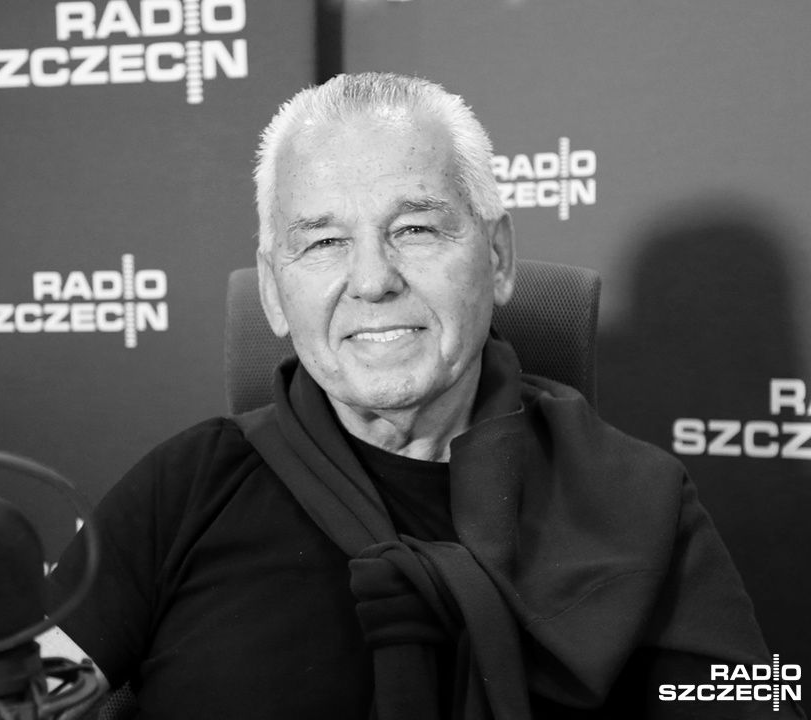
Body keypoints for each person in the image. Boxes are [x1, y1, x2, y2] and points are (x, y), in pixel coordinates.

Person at [46, 73, 797, 719]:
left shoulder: (639, 496)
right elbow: (18, 694)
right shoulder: (182, 489)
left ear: (497, 257)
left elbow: (755, 697)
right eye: (324, 242)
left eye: (414, 228)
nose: (373, 280)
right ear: (274, 291)